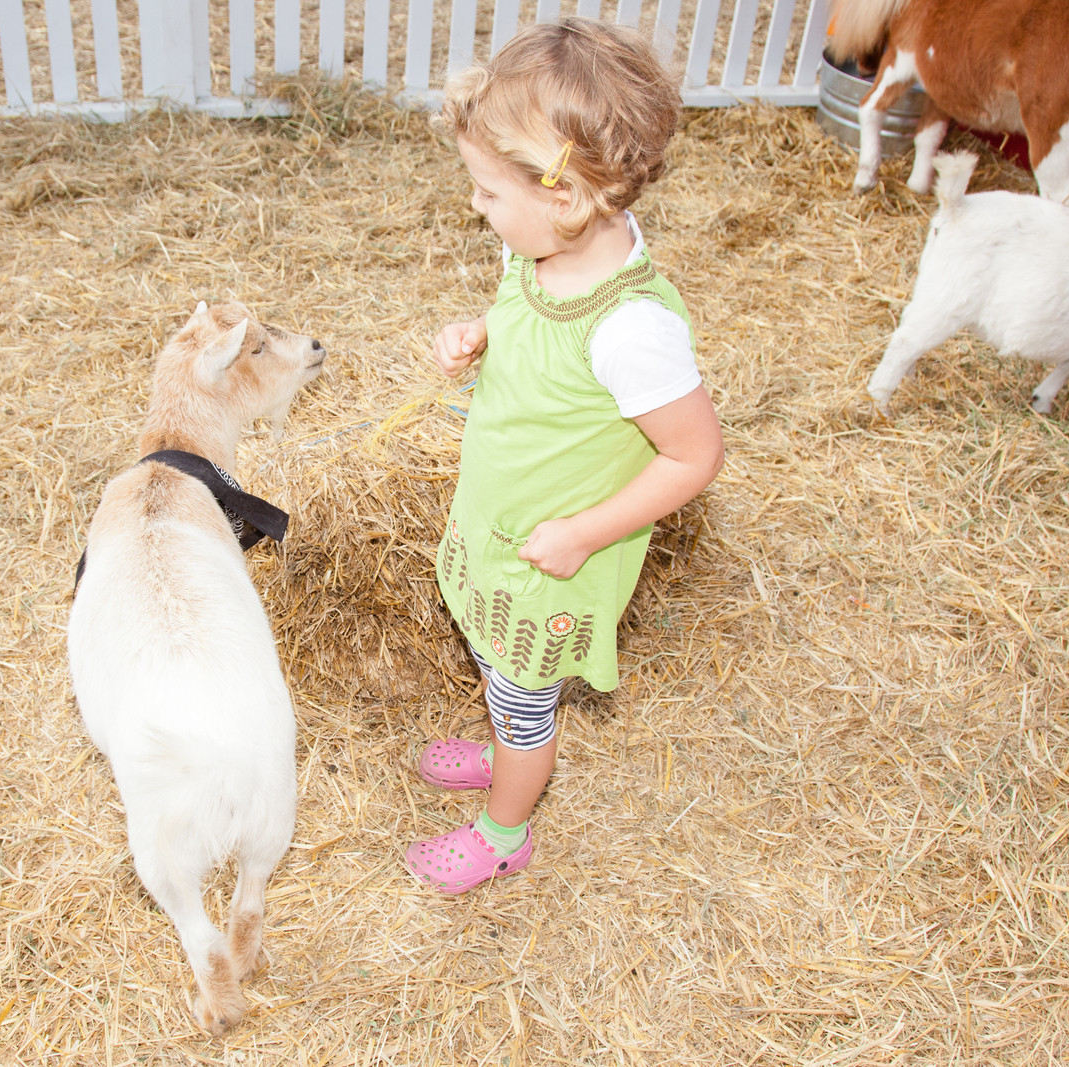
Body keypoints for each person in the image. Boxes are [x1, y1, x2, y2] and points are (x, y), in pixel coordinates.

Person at [408, 16, 725, 894]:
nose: (477, 206)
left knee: (524, 691)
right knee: (500, 669)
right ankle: (508, 737)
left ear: (563, 198)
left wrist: (586, 532)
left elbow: (694, 457)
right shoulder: (537, 246)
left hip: (550, 553)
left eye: (486, 190)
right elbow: (528, 323)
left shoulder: (632, 330)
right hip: (501, 520)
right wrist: (483, 334)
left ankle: (505, 826)